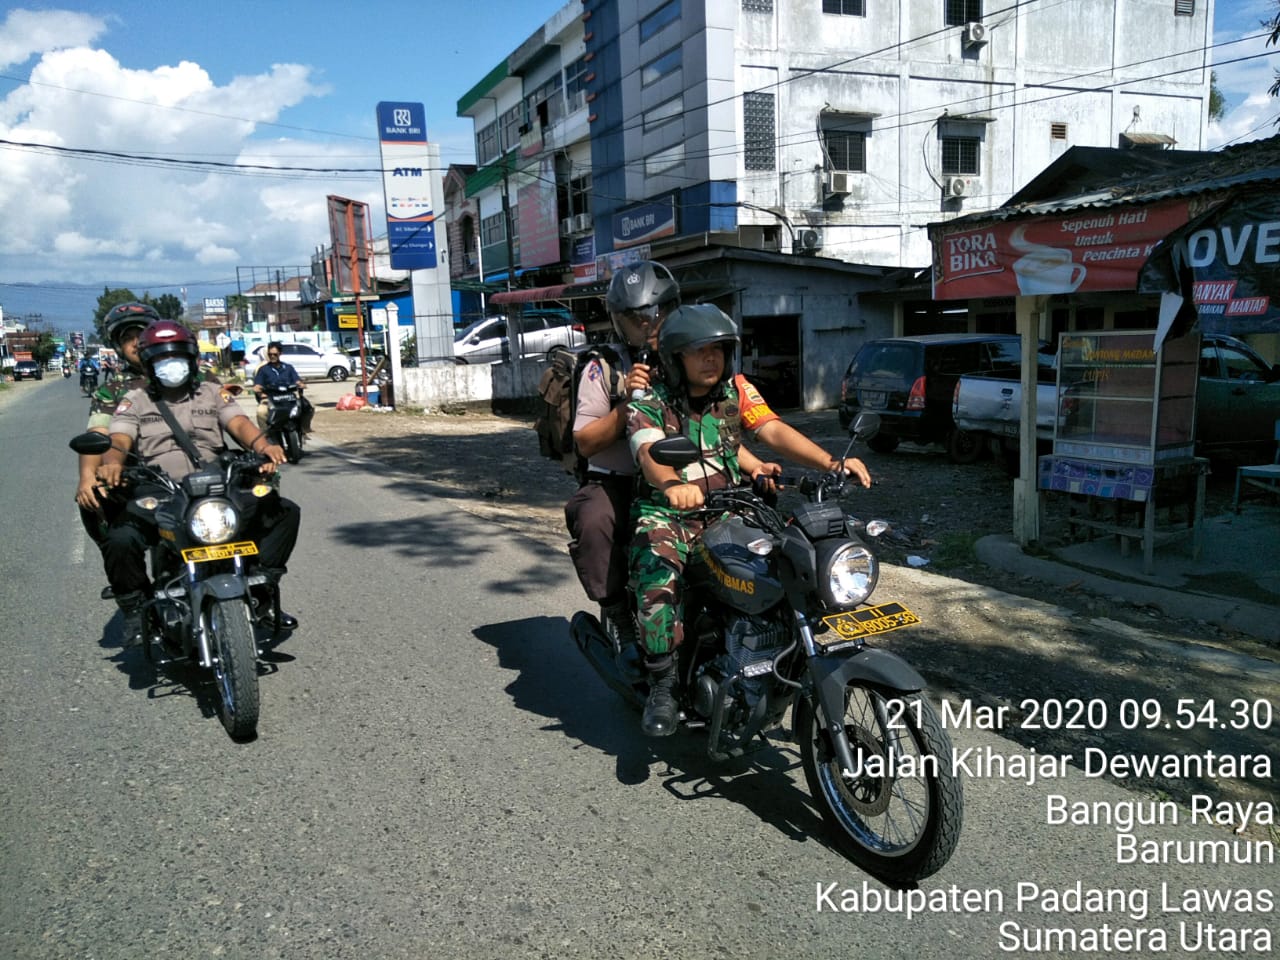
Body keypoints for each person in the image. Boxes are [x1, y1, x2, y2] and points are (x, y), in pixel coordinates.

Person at [626, 304, 872, 736]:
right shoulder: (648, 404)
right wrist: (670, 485)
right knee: (657, 578)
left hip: (731, 509)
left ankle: (778, 654)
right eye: (699, 351)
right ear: (673, 358)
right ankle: (662, 683)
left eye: (718, 350)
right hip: (670, 514)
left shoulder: (733, 392)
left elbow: (771, 430)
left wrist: (831, 462)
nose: (711, 359)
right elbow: (649, 454)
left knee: (792, 562)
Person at [95, 321, 301, 645]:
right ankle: (136, 609)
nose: (171, 364)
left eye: (177, 356)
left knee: (284, 511)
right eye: (162, 359)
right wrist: (111, 465)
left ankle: (263, 590)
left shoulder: (210, 392)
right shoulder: (135, 400)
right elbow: (118, 436)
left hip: (216, 483)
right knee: (121, 537)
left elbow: (239, 422)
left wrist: (264, 446)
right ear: (149, 364)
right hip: (160, 488)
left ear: (192, 359)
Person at [564, 261, 680, 647]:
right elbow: (585, 441)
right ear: (619, 322)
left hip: (679, 476)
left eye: (657, 313)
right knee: (594, 520)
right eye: (636, 319)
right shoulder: (603, 367)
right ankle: (618, 615)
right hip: (617, 482)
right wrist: (627, 404)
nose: (649, 325)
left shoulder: (690, 358)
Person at [253, 341, 314, 435]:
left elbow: (297, 380)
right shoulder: (263, 369)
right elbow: (257, 385)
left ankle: (304, 428)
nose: (272, 356)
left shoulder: (288, 368)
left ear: (280, 354)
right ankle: (266, 435)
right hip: (271, 399)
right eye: (270, 354)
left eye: (275, 354)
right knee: (261, 411)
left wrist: (301, 384)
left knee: (308, 407)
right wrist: (259, 391)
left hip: (289, 397)